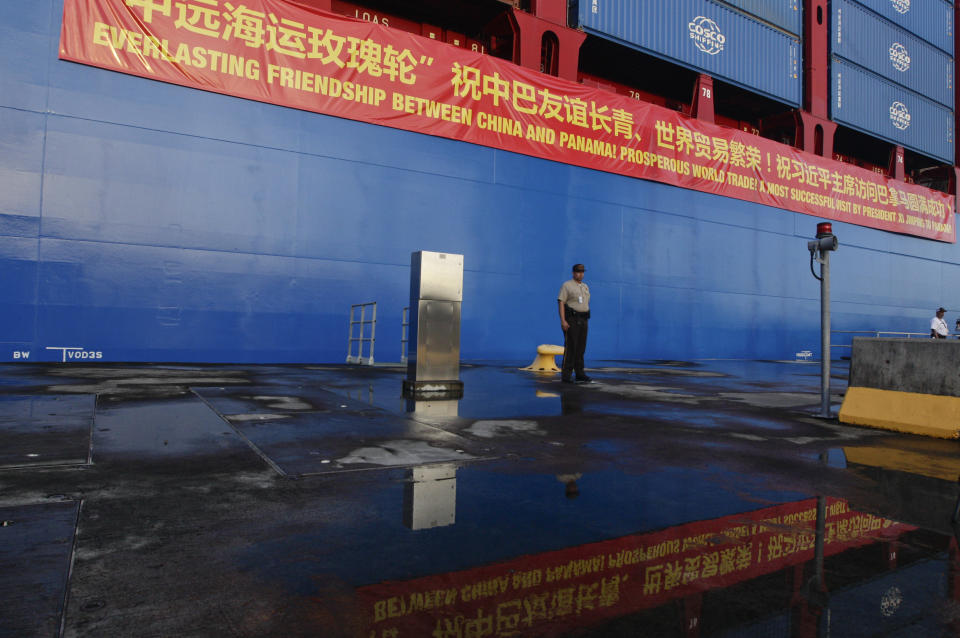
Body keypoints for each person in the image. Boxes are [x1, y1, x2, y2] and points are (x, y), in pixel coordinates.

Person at [558, 264, 591, 383]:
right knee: (571, 348)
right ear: (573, 273)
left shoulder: (585, 286)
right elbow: (561, 302)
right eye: (578, 271)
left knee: (581, 348)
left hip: (584, 320)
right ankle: (566, 375)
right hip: (572, 320)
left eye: (582, 271)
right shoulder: (567, 285)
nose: (580, 274)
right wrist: (563, 320)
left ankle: (579, 373)